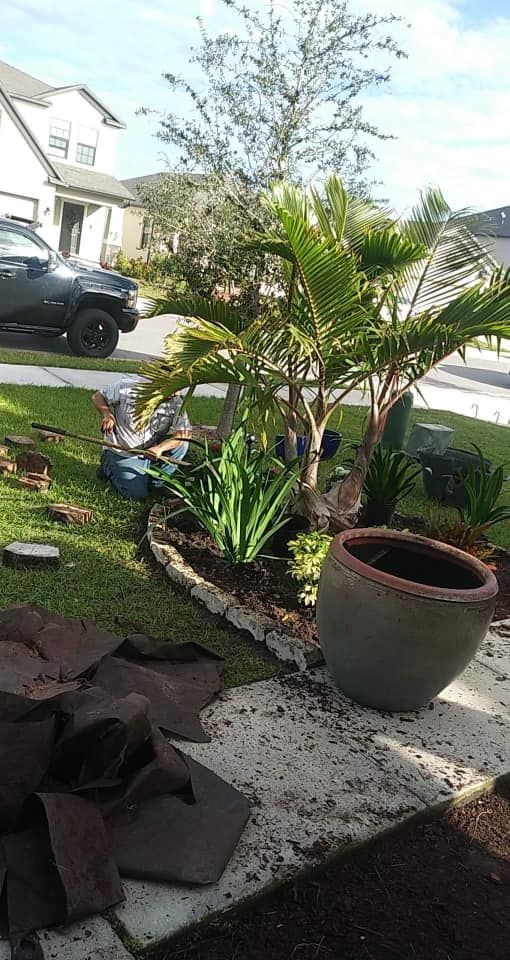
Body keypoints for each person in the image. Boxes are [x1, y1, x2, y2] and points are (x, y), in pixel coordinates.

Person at [92, 378, 191, 500]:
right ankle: (107, 467)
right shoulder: (127, 388)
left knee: (182, 445)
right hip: (122, 453)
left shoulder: (176, 402)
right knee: (137, 495)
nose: (176, 393)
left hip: (151, 451)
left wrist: (159, 448)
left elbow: (183, 434)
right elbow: (98, 396)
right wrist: (107, 415)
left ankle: (157, 483)